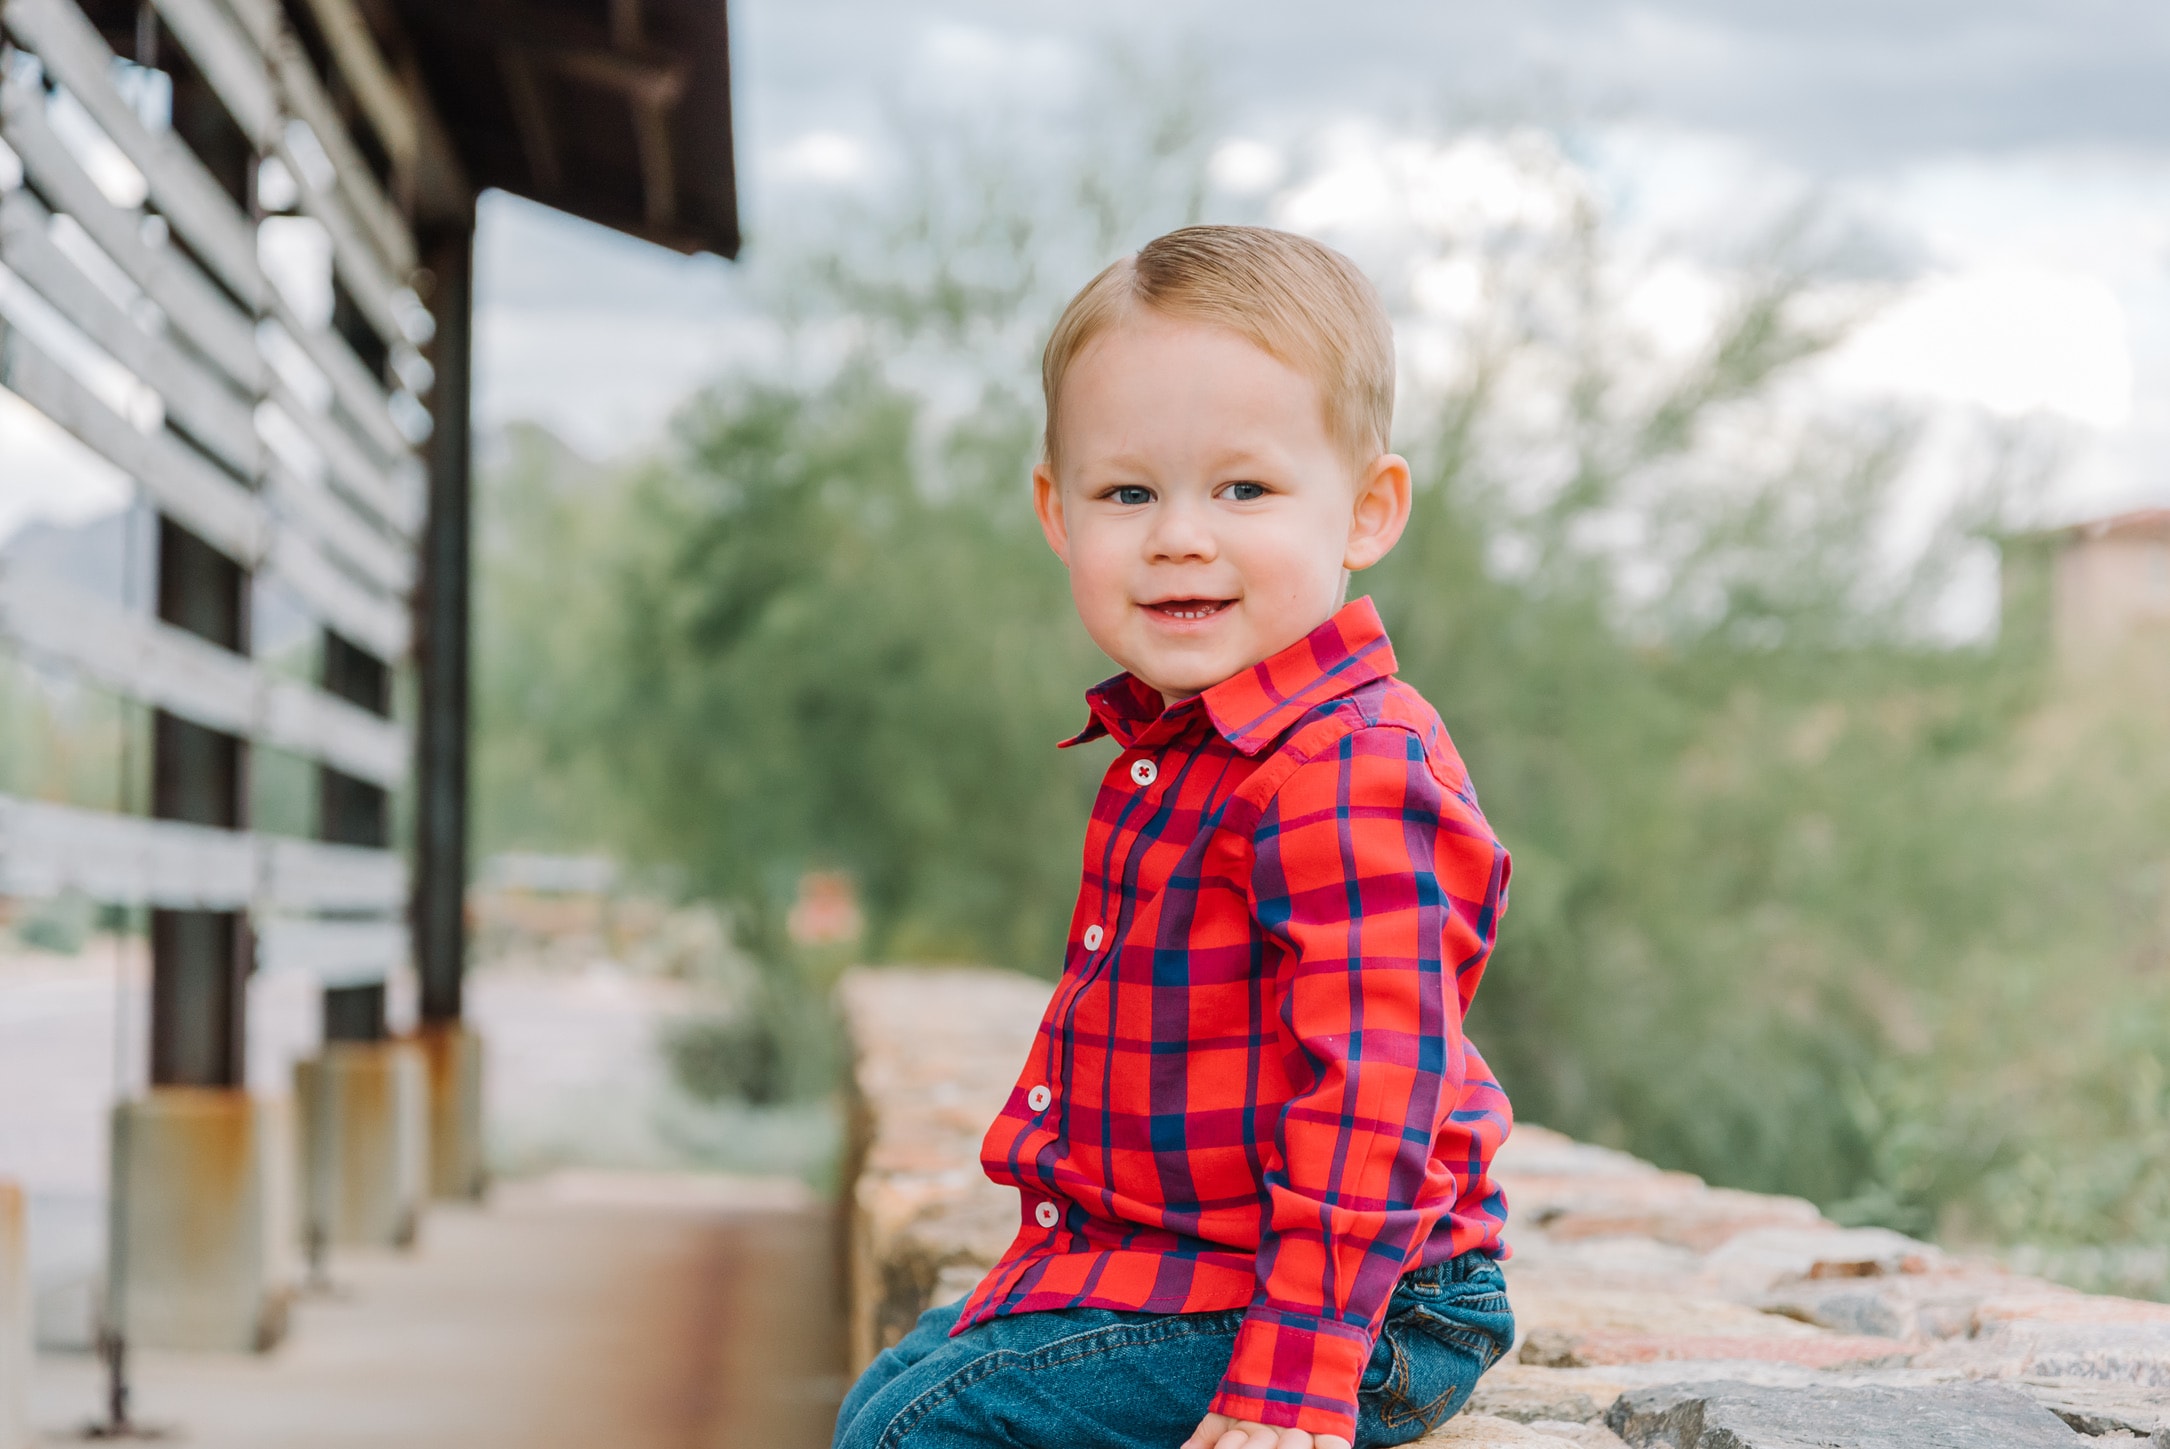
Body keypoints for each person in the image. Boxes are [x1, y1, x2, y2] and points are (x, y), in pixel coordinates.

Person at [833, 225, 1516, 1449]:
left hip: (1362, 1308)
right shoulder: (1183, 744)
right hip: (1189, 1269)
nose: (1179, 535)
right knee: (892, 1394)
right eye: (1127, 492)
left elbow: (1378, 1098)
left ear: (1367, 510)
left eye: (1243, 489)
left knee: (920, 1430)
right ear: (1058, 513)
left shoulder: (1347, 765)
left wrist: (1294, 1376)